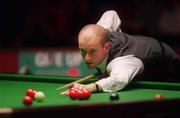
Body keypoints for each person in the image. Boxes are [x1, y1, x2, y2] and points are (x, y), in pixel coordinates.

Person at [68, 10, 180, 93]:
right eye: (82, 51)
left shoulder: (122, 62)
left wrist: (93, 86)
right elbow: (111, 14)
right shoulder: (102, 32)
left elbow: (119, 79)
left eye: (92, 52)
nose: (86, 58)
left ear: (106, 48)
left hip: (170, 71)